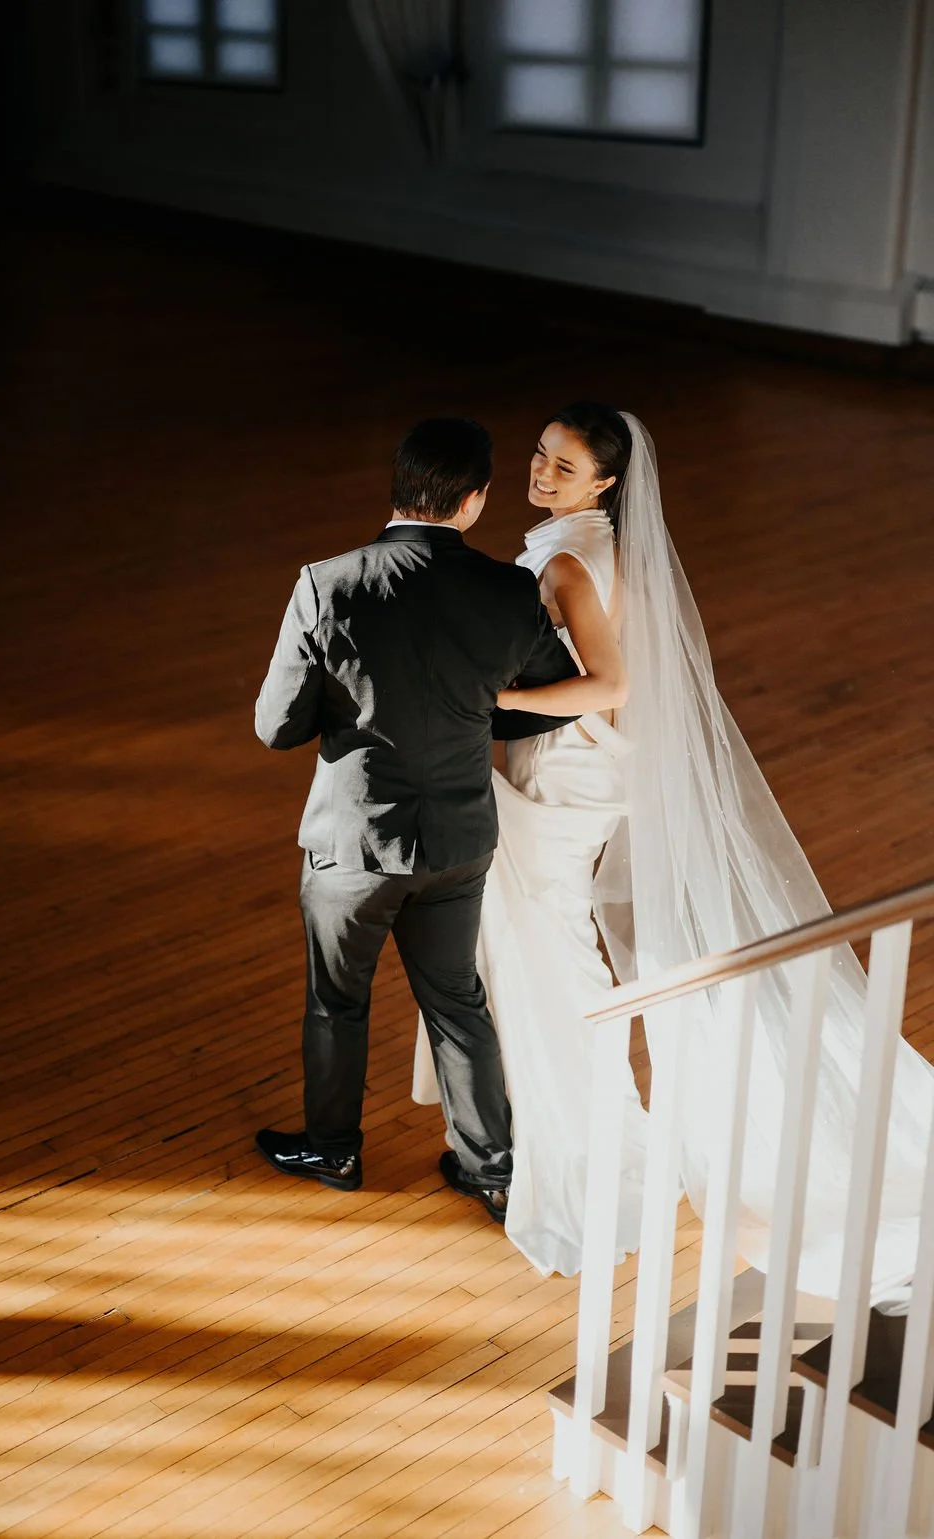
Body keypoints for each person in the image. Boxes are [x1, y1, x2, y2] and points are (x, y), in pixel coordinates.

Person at [413, 402, 934, 1309]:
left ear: (606, 483)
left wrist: (483, 694)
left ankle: (576, 1157)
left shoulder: (572, 558)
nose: (542, 474)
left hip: (565, 779)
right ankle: (531, 1136)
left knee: (544, 959)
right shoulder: (594, 546)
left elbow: (612, 683)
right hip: (573, 771)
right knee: (533, 950)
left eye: (564, 468)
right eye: (539, 456)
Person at [253, 417, 581, 1221]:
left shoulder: (327, 584)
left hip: (354, 844)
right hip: (462, 838)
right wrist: (471, 716)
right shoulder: (509, 590)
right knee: (457, 1000)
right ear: (474, 501)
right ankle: (491, 1169)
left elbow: (276, 726)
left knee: (339, 999)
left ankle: (333, 1149)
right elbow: (549, 701)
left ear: (399, 488)